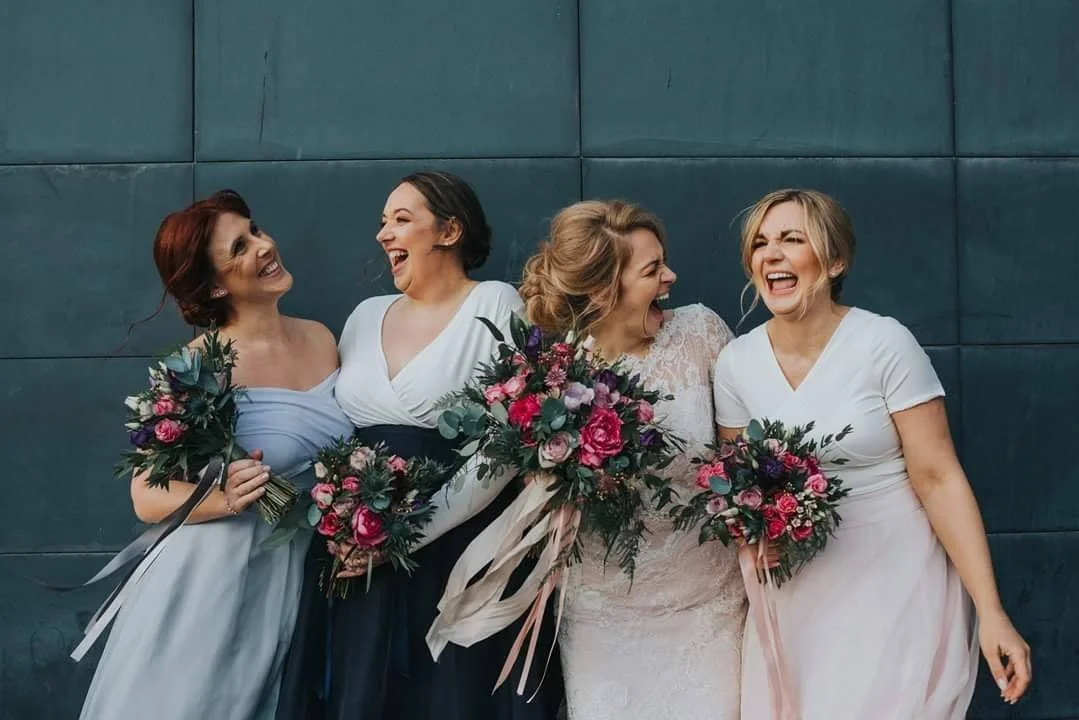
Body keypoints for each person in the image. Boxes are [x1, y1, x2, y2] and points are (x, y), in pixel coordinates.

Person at [713, 188, 1032, 718]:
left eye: (793, 239)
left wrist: (992, 611)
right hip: (797, 596)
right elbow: (737, 485)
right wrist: (754, 533)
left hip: (897, 581)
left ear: (835, 259)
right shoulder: (735, 363)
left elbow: (939, 477)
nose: (771, 255)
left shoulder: (885, 343)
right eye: (761, 243)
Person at [276, 171, 564, 719]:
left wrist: (411, 530)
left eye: (401, 220)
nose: (384, 234)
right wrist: (345, 522)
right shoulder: (363, 318)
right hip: (357, 554)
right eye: (383, 222)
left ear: (450, 230)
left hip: (454, 548)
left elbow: (508, 442)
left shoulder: (497, 304)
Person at [80, 190, 354, 720]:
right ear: (215, 284)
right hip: (215, 577)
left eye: (256, 230)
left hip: (296, 571)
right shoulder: (196, 367)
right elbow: (146, 495)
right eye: (241, 247)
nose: (264, 246)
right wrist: (226, 497)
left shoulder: (323, 339)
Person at [517, 199, 746, 719]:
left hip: (708, 604)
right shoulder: (555, 377)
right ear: (603, 289)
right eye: (651, 270)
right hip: (602, 613)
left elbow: (742, 455)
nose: (671, 276)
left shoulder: (701, 333)